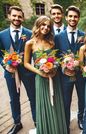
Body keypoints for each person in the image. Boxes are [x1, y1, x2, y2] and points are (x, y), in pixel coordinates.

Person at [24, 16, 67, 134]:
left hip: (54, 77)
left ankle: (57, 129)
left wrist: (54, 68)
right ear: (37, 26)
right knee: (44, 104)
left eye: (48, 26)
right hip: (40, 78)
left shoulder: (51, 42)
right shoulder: (30, 43)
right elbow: (26, 63)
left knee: (55, 102)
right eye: (43, 25)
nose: (46, 28)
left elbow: (56, 59)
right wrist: (40, 72)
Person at [0, 6, 36, 134]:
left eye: (19, 16)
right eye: (14, 16)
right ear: (9, 16)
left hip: (27, 71)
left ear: (23, 18)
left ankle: (37, 121)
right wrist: (5, 65)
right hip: (10, 72)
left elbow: (35, 53)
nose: (16, 18)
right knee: (13, 98)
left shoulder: (29, 33)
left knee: (33, 96)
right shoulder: (1, 34)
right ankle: (17, 123)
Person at [54, 5, 86, 132]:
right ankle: (65, 123)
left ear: (78, 18)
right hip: (65, 75)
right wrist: (63, 65)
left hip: (80, 75)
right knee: (65, 101)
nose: (73, 19)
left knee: (82, 99)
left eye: (75, 16)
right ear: (66, 18)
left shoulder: (83, 36)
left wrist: (80, 63)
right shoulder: (58, 36)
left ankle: (81, 119)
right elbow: (55, 56)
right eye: (71, 16)